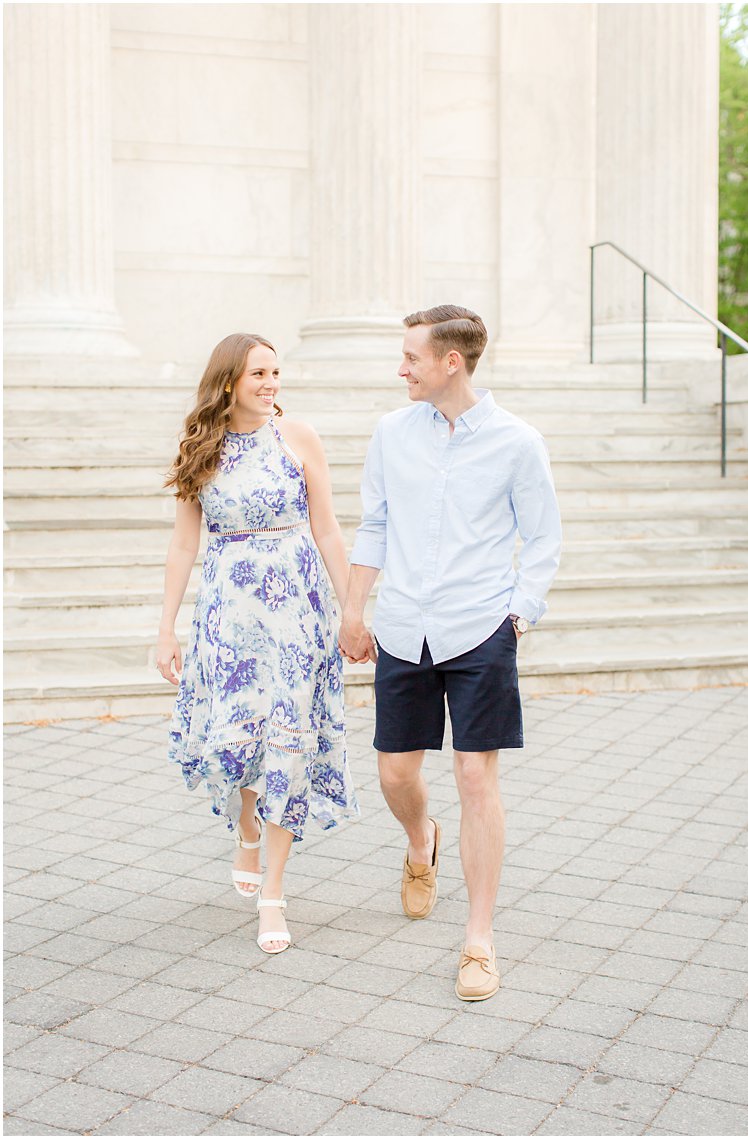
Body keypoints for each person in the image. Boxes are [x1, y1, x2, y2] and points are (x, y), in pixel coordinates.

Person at [339, 304, 562, 1002]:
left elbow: (544, 538)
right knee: (396, 774)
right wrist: (353, 608)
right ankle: (418, 842)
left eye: (411, 356)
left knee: (475, 777)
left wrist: (517, 616)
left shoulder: (518, 442)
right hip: (404, 626)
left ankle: (478, 938)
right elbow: (373, 526)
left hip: (478, 629)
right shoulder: (390, 435)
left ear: (451, 362)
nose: (400, 368)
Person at [157, 333, 358, 955]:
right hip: (229, 616)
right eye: (258, 373)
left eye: (276, 371)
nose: (271, 383)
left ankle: (273, 893)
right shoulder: (202, 448)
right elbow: (185, 544)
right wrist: (165, 628)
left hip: (297, 611)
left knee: (287, 741)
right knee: (239, 737)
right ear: (227, 383)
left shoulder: (298, 437)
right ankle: (246, 827)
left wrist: (353, 609)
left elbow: (325, 527)